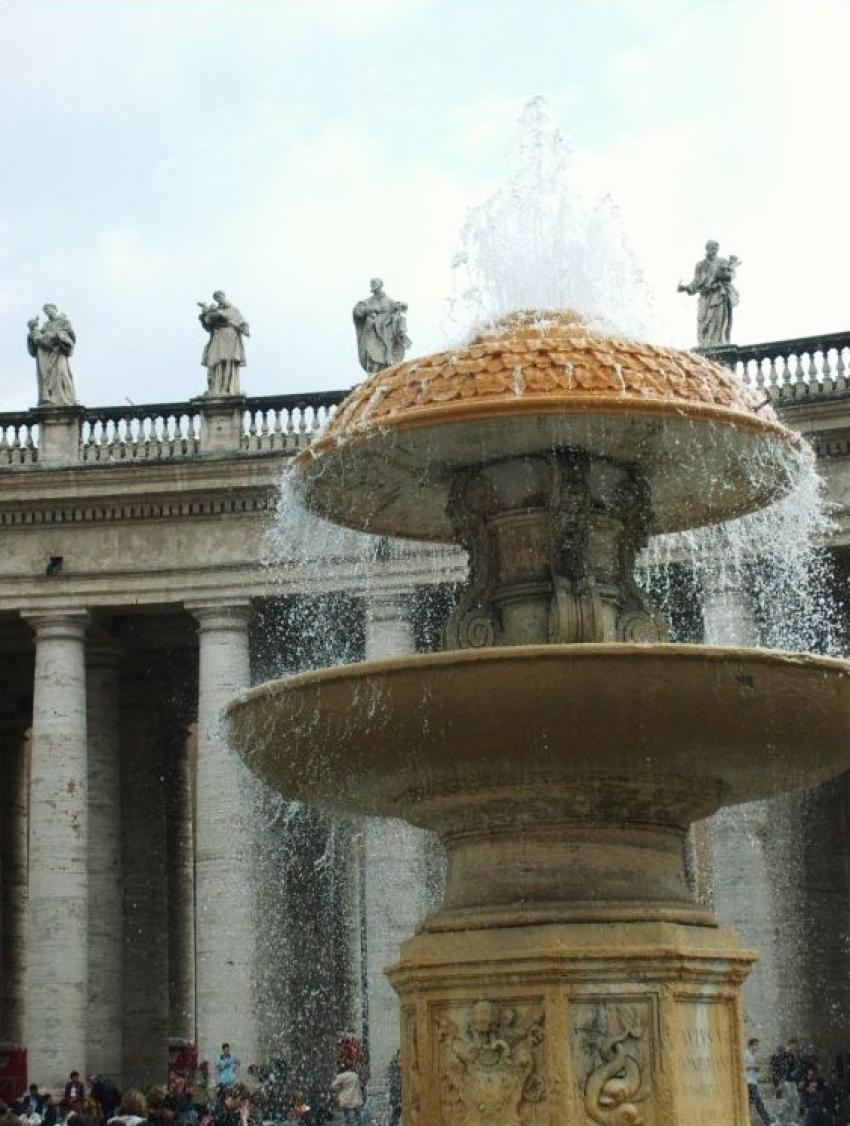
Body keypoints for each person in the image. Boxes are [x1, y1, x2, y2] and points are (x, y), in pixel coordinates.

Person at [677, 240, 740, 347]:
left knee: (718, 321)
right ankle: (704, 345)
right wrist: (686, 288)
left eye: (715, 248)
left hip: (719, 295)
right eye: (711, 248)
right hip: (705, 297)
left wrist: (727, 273)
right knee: (704, 321)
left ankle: (719, 343)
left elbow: (731, 275)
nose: (713, 250)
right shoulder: (700, 265)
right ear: (707, 249)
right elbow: (696, 281)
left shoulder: (722, 261)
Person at [352, 278, 411, 374]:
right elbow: (358, 312)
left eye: (375, 285)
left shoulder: (389, 301)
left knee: (387, 358)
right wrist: (367, 310)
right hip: (373, 334)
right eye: (372, 286)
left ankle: (387, 375)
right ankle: (374, 377)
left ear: (380, 285)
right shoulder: (367, 302)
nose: (374, 288)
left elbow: (401, 307)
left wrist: (402, 306)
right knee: (373, 356)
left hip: (386, 335)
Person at [198, 292, 249, 396]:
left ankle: (228, 389)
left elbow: (243, 324)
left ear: (224, 297)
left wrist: (243, 328)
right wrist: (205, 312)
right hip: (218, 337)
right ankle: (215, 389)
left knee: (228, 361)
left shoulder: (234, 310)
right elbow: (207, 324)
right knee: (214, 361)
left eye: (219, 297)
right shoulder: (214, 311)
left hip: (230, 337)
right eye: (216, 298)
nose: (218, 299)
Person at [27, 303, 78, 406]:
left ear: (54, 309)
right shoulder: (46, 325)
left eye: (48, 309)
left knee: (62, 373)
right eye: (45, 311)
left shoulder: (64, 322)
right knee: (49, 376)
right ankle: (52, 398)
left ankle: (67, 398)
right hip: (48, 354)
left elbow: (72, 338)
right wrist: (33, 331)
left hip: (59, 352)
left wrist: (59, 335)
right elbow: (39, 338)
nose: (47, 312)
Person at [745, 1038, 773, 1126]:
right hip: (748, 1082)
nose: (756, 1047)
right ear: (751, 1045)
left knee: (751, 1102)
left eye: (757, 1045)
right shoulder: (746, 1053)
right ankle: (767, 1121)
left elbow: (754, 1068)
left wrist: (757, 1068)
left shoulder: (754, 1055)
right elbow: (744, 1065)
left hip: (753, 1081)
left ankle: (747, 1121)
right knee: (757, 1102)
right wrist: (753, 1066)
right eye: (755, 1045)